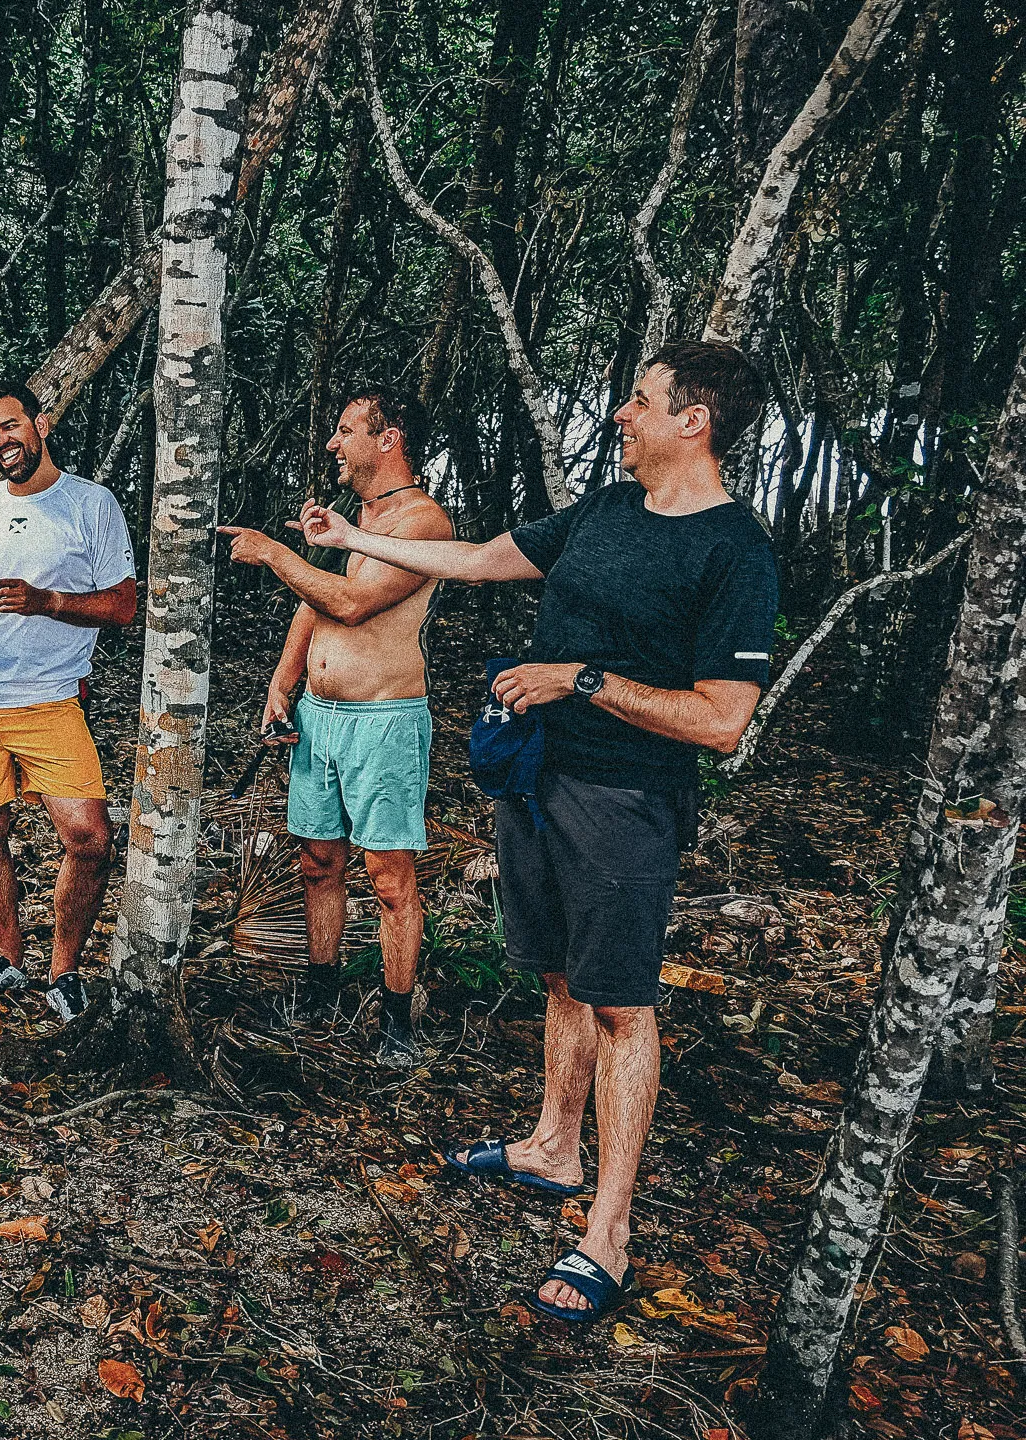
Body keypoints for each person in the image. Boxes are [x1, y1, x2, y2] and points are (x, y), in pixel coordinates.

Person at [298, 340, 778, 1324]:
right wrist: (354, 535)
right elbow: (480, 561)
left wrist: (582, 680)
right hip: (534, 775)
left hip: (625, 801)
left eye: (640, 400)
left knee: (622, 1006)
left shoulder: (735, 551)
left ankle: (609, 1232)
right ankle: (555, 1146)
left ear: (694, 421)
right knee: (558, 978)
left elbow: (724, 721)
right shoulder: (605, 509)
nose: (621, 415)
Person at [220, 387, 453, 1067]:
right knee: (318, 861)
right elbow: (314, 602)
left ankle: (397, 1022)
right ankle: (320, 993)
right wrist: (283, 683)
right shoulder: (354, 519)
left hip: (383, 720)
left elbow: (351, 604)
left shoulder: (423, 524)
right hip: (318, 718)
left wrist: (274, 553)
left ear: (389, 440)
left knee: (388, 876)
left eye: (346, 431)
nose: (332, 444)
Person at [0, 382, 137, 1023]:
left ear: (41, 424)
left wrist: (48, 601)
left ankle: (64, 972)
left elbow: (123, 604)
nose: (0, 442)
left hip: (49, 701)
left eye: (10, 426)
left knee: (89, 840)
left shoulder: (91, 504)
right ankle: (6, 959)